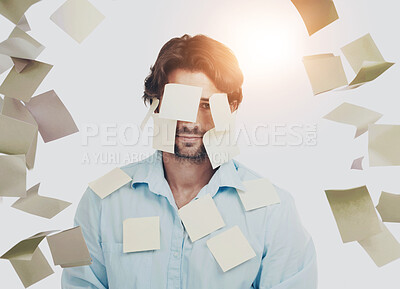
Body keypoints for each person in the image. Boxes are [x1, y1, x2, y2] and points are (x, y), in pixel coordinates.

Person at [61, 34, 317, 289]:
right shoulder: (102, 201)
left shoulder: (274, 210)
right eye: (177, 104)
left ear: (232, 108)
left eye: (206, 105)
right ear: (155, 105)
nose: (190, 122)